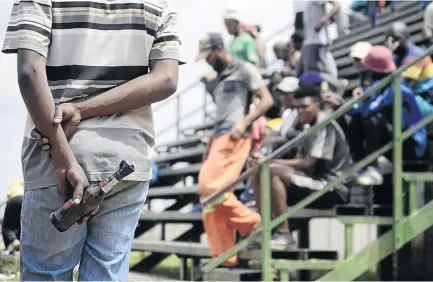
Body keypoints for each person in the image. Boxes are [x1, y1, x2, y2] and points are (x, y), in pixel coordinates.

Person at [2, 1, 183, 280]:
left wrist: (63, 158)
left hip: (55, 154)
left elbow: (29, 72)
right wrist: (83, 108)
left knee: (46, 274)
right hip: (126, 160)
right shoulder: (157, 3)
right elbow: (167, 78)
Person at [196, 32, 273, 267]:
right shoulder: (218, 78)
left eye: (208, 56)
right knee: (209, 204)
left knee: (209, 187)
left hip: (235, 134)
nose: (206, 61)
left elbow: (266, 99)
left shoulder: (244, 68)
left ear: (219, 49)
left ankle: (253, 222)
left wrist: (245, 123)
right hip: (218, 136)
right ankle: (225, 256)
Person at [250, 85, 352, 250]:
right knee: (257, 170)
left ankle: (284, 234)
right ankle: (267, 228)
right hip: (312, 181)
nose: (300, 111)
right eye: (296, 108)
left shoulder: (324, 125)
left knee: (273, 171)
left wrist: (268, 161)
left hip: (333, 186)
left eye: (304, 107)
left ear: (317, 106)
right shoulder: (304, 127)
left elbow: (307, 162)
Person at [385, 21, 433, 101]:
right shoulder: (397, 56)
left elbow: (401, 84)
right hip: (418, 95)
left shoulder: (415, 55)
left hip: (427, 98)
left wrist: (389, 52)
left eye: (395, 39)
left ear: (404, 36)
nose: (392, 43)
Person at [297, 0, 339, 78]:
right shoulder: (307, 4)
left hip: (318, 40)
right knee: (306, 69)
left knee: (321, 68)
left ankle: (334, 82)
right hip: (309, 41)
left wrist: (323, 21)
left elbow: (336, 5)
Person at [1, 182, 24, 255]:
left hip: (14, 200)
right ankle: (20, 245)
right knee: (21, 226)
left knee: (7, 226)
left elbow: (9, 197)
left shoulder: (12, 187)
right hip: (25, 200)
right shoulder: (22, 185)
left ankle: (12, 242)